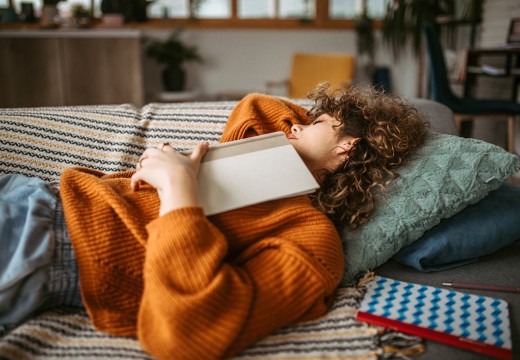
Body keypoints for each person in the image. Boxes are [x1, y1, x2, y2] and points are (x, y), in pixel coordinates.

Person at [0, 83, 428, 359]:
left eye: (314, 123)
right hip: (34, 191)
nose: (294, 126)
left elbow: (188, 334)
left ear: (348, 148)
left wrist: (178, 192)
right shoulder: (254, 159)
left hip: (47, 241)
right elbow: (257, 106)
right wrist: (315, 133)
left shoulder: (311, 240)